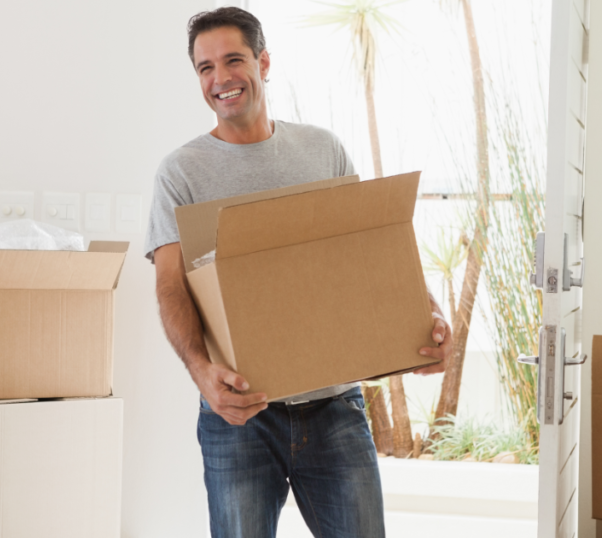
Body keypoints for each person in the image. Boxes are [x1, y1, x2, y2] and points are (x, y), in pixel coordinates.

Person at [144, 7, 453, 538]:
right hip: (239, 413)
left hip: (334, 406)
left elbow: (365, 250)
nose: (220, 79)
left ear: (264, 62)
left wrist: (424, 314)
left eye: (233, 59)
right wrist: (200, 372)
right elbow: (171, 285)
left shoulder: (321, 149)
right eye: (205, 67)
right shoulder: (181, 172)